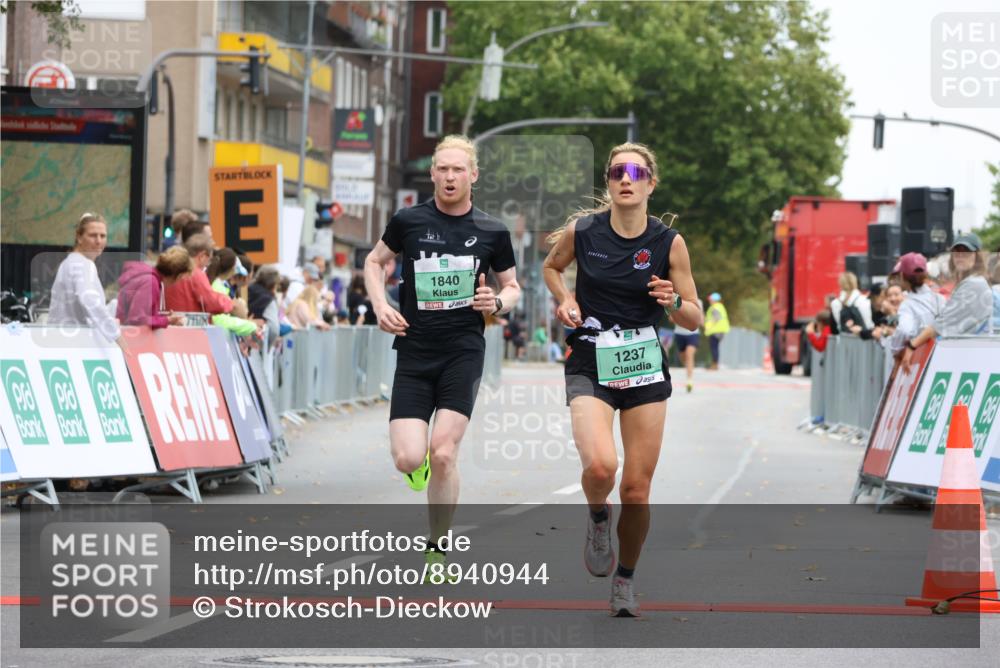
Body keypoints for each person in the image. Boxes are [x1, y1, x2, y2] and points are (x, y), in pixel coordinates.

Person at [542, 142, 701, 617]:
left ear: (652, 182)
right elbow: (551, 267)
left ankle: (625, 579)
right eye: (616, 172)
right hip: (591, 358)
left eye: (635, 172)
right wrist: (565, 299)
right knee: (600, 468)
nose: (624, 179)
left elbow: (693, 317)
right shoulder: (584, 231)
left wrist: (672, 301)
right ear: (609, 182)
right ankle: (596, 517)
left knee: (635, 488)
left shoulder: (668, 243)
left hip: (643, 362)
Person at [364, 134, 520, 578]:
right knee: (410, 459)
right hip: (414, 350)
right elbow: (374, 262)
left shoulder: (492, 230)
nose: (450, 176)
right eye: (442, 169)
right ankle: (421, 467)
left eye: (458, 169)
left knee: (445, 453)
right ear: (432, 174)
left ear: (473, 175)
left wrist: (497, 303)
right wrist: (380, 305)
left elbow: (512, 286)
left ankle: (438, 547)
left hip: (463, 352)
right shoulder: (408, 221)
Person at [903, 234, 992, 368]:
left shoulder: (974, 284)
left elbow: (941, 325)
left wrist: (911, 346)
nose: (960, 256)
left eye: (966, 251)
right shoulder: (970, 282)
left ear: (977, 256)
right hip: (965, 358)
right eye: (956, 252)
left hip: (969, 360)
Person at [47, 213, 122, 344]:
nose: (99, 241)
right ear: (79, 237)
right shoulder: (82, 264)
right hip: (73, 343)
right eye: (93, 235)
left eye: (103, 236)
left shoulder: (71, 262)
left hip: (63, 340)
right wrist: (116, 335)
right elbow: (89, 300)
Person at [116, 246, 191, 328]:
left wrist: (162, 318)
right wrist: (167, 320)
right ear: (178, 276)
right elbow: (137, 319)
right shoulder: (150, 282)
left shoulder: (148, 278)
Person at [164, 234, 237, 318]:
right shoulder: (196, 274)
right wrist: (230, 302)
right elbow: (211, 302)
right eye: (209, 258)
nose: (208, 263)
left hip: (168, 326)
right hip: (191, 327)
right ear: (202, 256)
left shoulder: (170, 270)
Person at [889, 252, 946, 358]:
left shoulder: (907, 305)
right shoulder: (940, 298)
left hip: (917, 360)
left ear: (902, 276)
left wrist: (896, 351)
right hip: (941, 358)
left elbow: (904, 330)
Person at [205, 248, 259, 337]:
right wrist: (251, 326)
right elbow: (219, 319)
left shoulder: (218, 285)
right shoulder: (217, 286)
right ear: (232, 270)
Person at [672, 297, 702, 392]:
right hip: (679, 333)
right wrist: (682, 317)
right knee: (683, 357)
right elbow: (671, 318)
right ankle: (689, 369)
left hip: (693, 333)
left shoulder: (698, 302)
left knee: (689, 354)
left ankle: (689, 380)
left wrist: (701, 322)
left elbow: (700, 317)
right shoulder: (674, 298)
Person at [704, 292, 729, 370]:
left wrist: (708, 326)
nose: (710, 301)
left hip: (715, 331)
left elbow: (716, 318)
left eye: (711, 299)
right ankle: (715, 363)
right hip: (720, 330)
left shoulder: (715, 307)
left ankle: (714, 364)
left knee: (714, 347)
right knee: (715, 347)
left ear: (714, 300)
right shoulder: (720, 306)